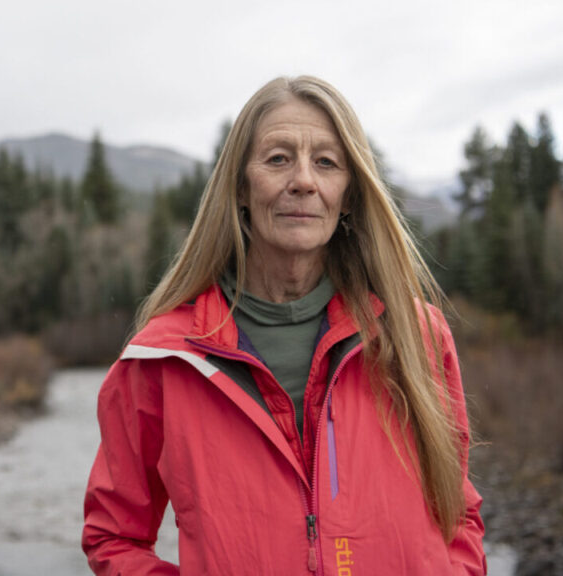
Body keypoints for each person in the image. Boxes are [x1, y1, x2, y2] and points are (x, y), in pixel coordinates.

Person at [81, 76, 485, 575]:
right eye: (277, 159)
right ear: (241, 187)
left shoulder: (417, 336)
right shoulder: (164, 357)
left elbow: (458, 513)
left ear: (349, 195)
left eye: (326, 162)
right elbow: (114, 535)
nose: (303, 181)